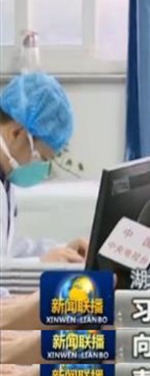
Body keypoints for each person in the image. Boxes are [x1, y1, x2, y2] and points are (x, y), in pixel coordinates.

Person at [0, 73, 88, 265]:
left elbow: (8, 250)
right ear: (16, 133)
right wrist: (40, 263)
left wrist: (62, 251)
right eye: (39, 157)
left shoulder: (5, 178)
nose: (40, 168)